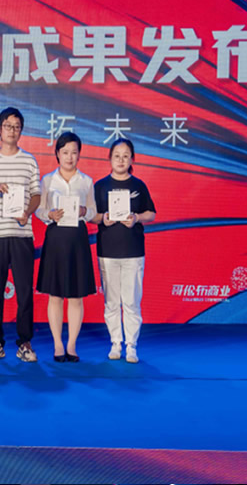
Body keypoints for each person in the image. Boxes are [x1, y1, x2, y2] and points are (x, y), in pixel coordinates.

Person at [0, 107, 41, 362]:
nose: (12, 130)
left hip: (23, 234)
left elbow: (36, 195)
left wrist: (27, 212)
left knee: (24, 291)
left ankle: (25, 343)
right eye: (8, 126)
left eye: (16, 127)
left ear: (21, 131)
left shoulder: (29, 161)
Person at [91, 138, 156, 364]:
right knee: (111, 301)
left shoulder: (139, 186)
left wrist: (137, 217)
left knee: (131, 301)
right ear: (110, 158)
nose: (121, 160)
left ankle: (131, 345)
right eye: (117, 156)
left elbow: (151, 213)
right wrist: (103, 218)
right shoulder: (100, 186)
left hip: (133, 252)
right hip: (107, 252)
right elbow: (91, 215)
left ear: (132, 159)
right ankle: (115, 342)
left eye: (126, 156)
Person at [35, 132, 97, 363]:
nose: (69, 157)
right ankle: (58, 344)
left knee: (76, 295)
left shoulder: (86, 181)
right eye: (65, 152)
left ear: (79, 155)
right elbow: (39, 209)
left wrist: (84, 211)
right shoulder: (48, 180)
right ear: (57, 154)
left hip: (77, 239)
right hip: (56, 237)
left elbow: (94, 211)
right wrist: (48, 214)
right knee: (55, 294)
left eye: (74, 152)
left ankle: (71, 345)